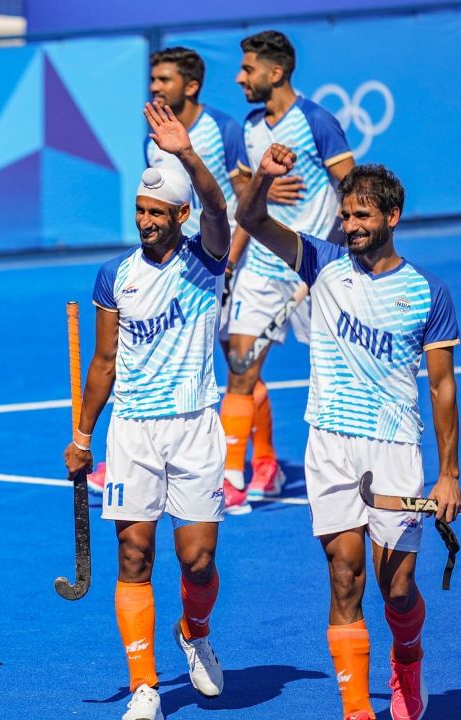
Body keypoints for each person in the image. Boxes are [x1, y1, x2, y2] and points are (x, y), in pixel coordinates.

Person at [238, 150, 459, 720]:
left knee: (398, 589)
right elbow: (251, 219)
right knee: (344, 576)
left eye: (363, 215)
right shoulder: (322, 262)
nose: (351, 225)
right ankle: (356, 709)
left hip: (395, 449)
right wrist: (263, 177)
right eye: (345, 215)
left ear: (392, 216)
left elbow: (441, 388)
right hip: (332, 444)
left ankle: (407, 659)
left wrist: (449, 473)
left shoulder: (429, 293)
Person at [65, 101, 233, 720]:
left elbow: (218, 209)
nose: (145, 221)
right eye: (139, 211)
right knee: (134, 557)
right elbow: (104, 362)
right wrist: (84, 436)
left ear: (179, 215)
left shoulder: (205, 260)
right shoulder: (114, 275)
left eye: (156, 213)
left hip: (194, 426)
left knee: (199, 560)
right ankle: (145, 687)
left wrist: (186, 152)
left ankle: (194, 631)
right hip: (133, 430)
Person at [89, 47, 252, 502]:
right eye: (153, 79)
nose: (155, 87)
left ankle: (247, 464)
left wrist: (230, 258)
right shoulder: (153, 139)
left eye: (164, 79)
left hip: (212, 256)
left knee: (238, 360)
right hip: (166, 260)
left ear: (191, 85)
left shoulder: (222, 129)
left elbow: (235, 203)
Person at [223, 30, 354, 511]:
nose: (239, 78)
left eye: (248, 69)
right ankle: (231, 478)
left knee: (337, 380)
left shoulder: (317, 122)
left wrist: (328, 259)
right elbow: (244, 201)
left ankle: (346, 473)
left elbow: (354, 195)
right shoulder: (250, 126)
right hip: (260, 269)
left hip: (316, 275)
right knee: (240, 371)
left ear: (275, 72)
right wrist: (263, 187)